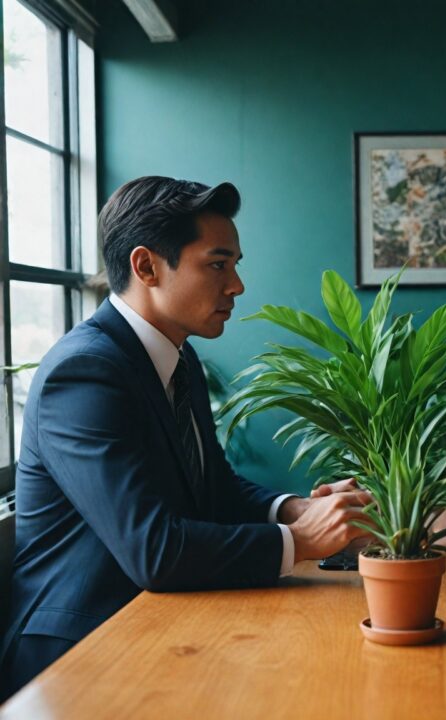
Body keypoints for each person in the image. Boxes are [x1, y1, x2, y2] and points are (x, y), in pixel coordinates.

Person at [0, 177, 370, 698]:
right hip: (77, 655)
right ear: (146, 266)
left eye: (236, 264)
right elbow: (153, 550)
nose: (237, 285)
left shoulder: (179, 356)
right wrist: (304, 542)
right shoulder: (85, 371)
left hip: (163, 625)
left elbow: (212, 485)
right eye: (218, 264)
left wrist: (295, 512)